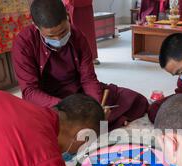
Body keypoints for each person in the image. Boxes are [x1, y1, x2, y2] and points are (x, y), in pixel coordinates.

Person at [13, 0, 148, 130]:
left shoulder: (77, 35)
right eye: (51, 36)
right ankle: (107, 123)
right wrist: (67, 108)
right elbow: (30, 92)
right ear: (36, 27)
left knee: (136, 100)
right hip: (49, 101)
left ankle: (101, 122)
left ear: (67, 17)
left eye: (63, 32)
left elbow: (88, 78)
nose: (58, 39)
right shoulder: (24, 43)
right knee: (41, 127)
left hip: (78, 92)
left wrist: (95, 105)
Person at [63, 0, 99, 64]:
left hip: (85, 5)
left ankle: (91, 56)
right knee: (72, 33)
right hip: (69, 5)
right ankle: (74, 58)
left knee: (88, 32)